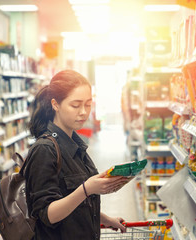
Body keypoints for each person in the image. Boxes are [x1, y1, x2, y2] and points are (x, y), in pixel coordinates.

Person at [25, 70, 129, 239]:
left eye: (88, 105)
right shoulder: (45, 150)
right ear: (55, 104)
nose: (83, 112)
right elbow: (47, 215)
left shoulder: (75, 144)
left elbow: (74, 205)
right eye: (75, 105)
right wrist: (87, 189)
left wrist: (105, 219)